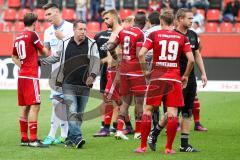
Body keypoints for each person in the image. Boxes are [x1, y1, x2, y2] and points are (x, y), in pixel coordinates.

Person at [135, 9, 195, 154]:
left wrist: (145, 73)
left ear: (161, 21)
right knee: (173, 113)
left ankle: (142, 147)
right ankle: (168, 148)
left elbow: (141, 54)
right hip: (174, 78)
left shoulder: (154, 34)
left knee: (148, 111)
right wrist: (185, 75)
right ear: (174, 21)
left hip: (157, 77)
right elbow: (191, 60)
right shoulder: (181, 38)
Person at [148, 8, 207, 153]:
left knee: (188, 111)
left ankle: (184, 144)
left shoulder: (193, 35)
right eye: (189, 19)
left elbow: (197, 54)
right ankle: (154, 133)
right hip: (175, 78)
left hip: (190, 78)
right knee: (172, 113)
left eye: (192, 19)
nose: (192, 21)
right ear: (180, 19)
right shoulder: (172, 35)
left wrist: (203, 73)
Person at [40, 20, 100, 148]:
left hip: (84, 85)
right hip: (67, 83)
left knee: (79, 113)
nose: (83, 32)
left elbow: (96, 62)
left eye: (85, 29)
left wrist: (92, 75)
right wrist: (42, 62)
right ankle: (78, 137)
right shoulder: (65, 42)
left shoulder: (91, 43)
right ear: (74, 30)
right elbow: (56, 56)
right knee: (72, 111)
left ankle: (70, 138)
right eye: (80, 29)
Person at [108, 11, 147, 140]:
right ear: (145, 23)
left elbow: (110, 47)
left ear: (135, 21)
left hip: (124, 70)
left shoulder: (123, 31)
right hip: (135, 72)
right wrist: (145, 71)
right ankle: (138, 132)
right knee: (139, 102)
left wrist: (118, 60)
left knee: (125, 102)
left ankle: (119, 130)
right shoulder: (140, 34)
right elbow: (138, 54)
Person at [12, 12, 48, 147]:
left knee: (25, 106)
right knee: (35, 106)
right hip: (30, 76)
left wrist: (24, 66)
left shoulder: (17, 37)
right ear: (35, 23)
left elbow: (13, 57)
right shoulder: (32, 35)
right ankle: (33, 140)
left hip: (22, 76)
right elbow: (44, 52)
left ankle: (24, 138)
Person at [42, 3, 74, 145]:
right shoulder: (47, 31)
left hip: (70, 70)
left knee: (65, 103)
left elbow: (76, 48)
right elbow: (45, 51)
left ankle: (64, 134)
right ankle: (53, 134)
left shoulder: (69, 28)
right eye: (45, 15)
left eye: (49, 14)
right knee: (56, 102)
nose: (46, 17)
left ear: (56, 12)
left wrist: (63, 38)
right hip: (55, 73)